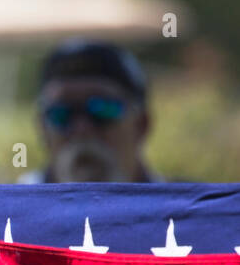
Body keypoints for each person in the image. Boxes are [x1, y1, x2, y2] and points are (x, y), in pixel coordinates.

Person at [20, 38, 162, 184]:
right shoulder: (11, 205)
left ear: (141, 124)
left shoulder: (181, 205)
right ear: (41, 128)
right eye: (61, 114)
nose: (82, 129)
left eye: (102, 109)